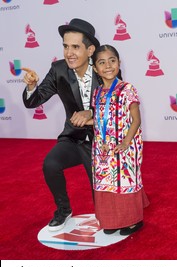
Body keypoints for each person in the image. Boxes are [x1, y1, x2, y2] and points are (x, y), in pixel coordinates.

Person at [21, 18, 101, 232]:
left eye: (76, 47)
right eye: (66, 46)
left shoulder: (105, 67)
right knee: (51, 164)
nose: (69, 53)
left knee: (102, 202)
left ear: (90, 49)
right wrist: (31, 86)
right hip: (73, 138)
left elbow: (116, 106)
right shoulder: (58, 69)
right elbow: (33, 101)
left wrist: (91, 112)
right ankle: (63, 210)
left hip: (101, 141)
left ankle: (107, 210)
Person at [86, 44, 150, 235]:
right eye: (102, 62)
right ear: (96, 68)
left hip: (126, 146)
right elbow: (100, 119)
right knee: (106, 182)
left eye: (112, 61)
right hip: (103, 149)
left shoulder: (127, 89)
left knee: (124, 181)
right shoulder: (97, 93)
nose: (108, 66)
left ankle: (132, 220)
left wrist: (125, 142)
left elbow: (136, 120)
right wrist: (84, 120)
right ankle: (111, 220)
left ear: (119, 63)